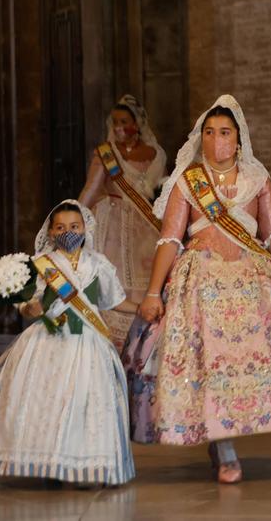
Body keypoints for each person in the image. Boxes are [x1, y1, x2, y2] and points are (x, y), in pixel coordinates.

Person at [126, 95, 271, 483]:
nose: (217, 140)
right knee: (211, 363)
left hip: (254, 278)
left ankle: (238, 429)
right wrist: (153, 293)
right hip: (201, 278)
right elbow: (169, 240)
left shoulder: (258, 179)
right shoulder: (188, 181)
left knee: (257, 362)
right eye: (210, 132)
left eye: (225, 132)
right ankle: (224, 445)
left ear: (238, 139)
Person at [0, 201, 138, 486]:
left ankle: (86, 465)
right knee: (47, 400)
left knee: (84, 401)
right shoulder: (42, 265)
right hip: (48, 341)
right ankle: (48, 462)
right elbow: (29, 304)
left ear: (85, 228)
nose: (68, 232)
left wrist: (144, 307)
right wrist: (28, 309)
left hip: (88, 343)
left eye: (74, 226)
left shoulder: (98, 264)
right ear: (51, 231)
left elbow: (115, 300)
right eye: (61, 227)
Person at [78, 95, 166, 352]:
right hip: (112, 226)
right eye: (115, 121)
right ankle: (111, 346)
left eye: (124, 121)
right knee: (113, 281)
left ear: (137, 123)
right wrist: (73, 218)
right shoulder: (106, 153)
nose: (118, 127)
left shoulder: (156, 154)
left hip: (146, 226)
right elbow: (90, 191)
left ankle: (144, 342)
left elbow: (160, 191)